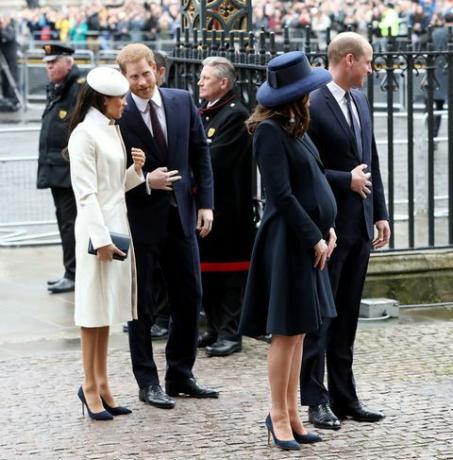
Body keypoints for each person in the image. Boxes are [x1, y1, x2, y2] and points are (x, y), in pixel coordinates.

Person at [238, 51, 337, 451]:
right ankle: (277, 415)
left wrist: (327, 228)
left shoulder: (296, 127)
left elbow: (314, 181)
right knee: (285, 332)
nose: (313, 97)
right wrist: (314, 235)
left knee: (299, 332)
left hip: (310, 239)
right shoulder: (269, 132)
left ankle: (293, 411)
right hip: (288, 243)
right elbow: (281, 194)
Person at [116, 43, 218, 410]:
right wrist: (146, 182)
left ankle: (180, 373)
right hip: (140, 222)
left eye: (146, 74)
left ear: (157, 70)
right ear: (123, 79)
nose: (141, 83)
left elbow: (199, 154)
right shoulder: (118, 112)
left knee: (190, 295)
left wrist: (205, 203)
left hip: (182, 216)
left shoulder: (180, 100)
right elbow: (109, 175)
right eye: (133, 78)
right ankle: (148, 381)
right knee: (141, 305)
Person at [300, 32, 390, 431]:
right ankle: (315, 400)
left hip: (360, 224)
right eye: (368, 62)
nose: (371, 69)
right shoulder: (313, 104)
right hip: (330, 227)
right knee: (323, 316)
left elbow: (369, 158)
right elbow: (305, 169)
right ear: (349, 60)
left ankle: (345, 396)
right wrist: (344, 181)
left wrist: (380, 212)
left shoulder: (361, 100)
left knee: (348, 315)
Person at [67, 66, 146, 420]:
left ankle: (102, 383)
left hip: (115, 226)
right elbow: (86, 195)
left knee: (106, 314)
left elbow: (112, 187)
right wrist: (99, 240)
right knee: (92, 310)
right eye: (119, 98)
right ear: (104, 100)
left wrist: (135, 172)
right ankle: (89, 384)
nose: (124, 104)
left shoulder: (110, 130)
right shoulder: (84, 134)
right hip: (95, 232)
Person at [197, 56, 254, 357]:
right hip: (208, 206)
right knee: (208, 273)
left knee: (229, 273)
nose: (199, 82)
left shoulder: (235, 115)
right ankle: (215, 327)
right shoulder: (206, 113)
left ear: (223, 82)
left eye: (205, 78)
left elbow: (214, 159)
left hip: (229, 210)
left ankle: (231, 332)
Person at [37, 44, 83, 294]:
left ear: (69, 62)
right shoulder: (58, 88)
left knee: (71, 223)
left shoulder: (77, 88)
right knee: (65, 222)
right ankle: (71, 271)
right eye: (47, 63)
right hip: (56, 170)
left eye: (54, 61)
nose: (49, 66)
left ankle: (75, 273)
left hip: (69, 171)